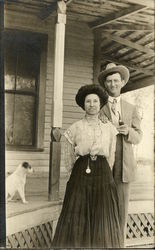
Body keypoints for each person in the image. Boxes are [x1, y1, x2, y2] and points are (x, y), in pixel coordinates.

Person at [52, 84, 123, 248]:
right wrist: (74, 173)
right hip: (81, 172)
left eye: (95, 101)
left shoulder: (109, 128)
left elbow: (112, 154)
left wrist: (106, 171)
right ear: (83, 105)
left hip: (103, 172)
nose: (92, 104)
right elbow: (68, 155)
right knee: (78, 212)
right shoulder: (75, 127)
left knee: (102, 212)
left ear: (100, 104)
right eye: (88, 101)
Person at [98, 63, 143, 246]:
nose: (112, 84)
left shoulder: (131, 108)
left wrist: (128, 132)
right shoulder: (98, 106)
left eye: (116, 80)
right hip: (104, 164)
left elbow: (139, 135)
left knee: (122, 210)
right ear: (105, 85)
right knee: (103, 207)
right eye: (109, 81)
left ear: (122, 82)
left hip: (124, 166)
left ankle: (120, 245)